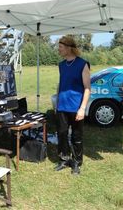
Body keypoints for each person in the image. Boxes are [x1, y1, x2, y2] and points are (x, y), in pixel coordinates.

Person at [55, 36, 91, 175]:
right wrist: (57, 103)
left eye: (61, 47)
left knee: (77, 136)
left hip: (76, 108)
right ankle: (64, 159)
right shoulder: (61, 65)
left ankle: (76, 163)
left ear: (69, 47)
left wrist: (82, 109)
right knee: (62, 134)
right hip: (62, 106)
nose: (59, 50)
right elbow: (61, 85)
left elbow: (87, 88)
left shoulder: (83, 64)